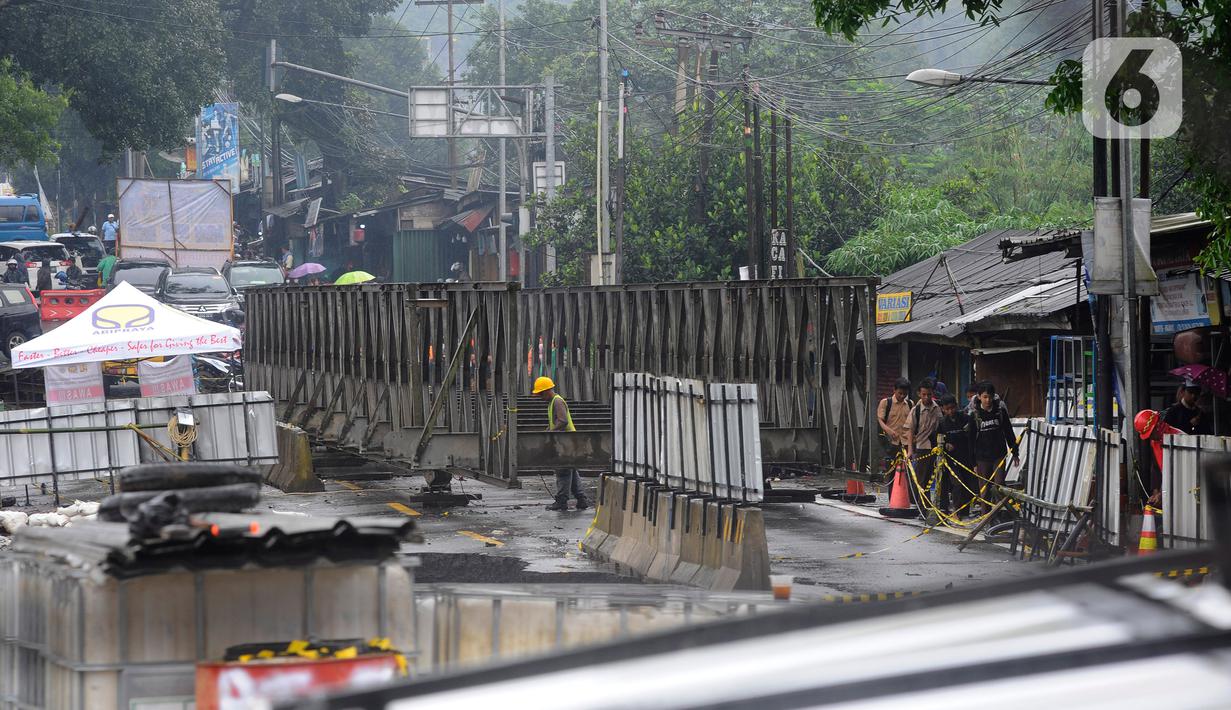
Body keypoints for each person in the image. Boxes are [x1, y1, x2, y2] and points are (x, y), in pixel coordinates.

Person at [533, 375, 590, 511]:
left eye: (541, 394)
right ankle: (581, 499)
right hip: (568, 441)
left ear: (547, 391)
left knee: (563, 471)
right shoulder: (553, 402)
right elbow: (556, 422)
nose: (540, 397)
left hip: (567, 442)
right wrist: (547, 431)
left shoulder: (557, 401)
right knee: (571, 470)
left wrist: (550, 432)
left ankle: (562, 501)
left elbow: (563, 421)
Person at [972, 381, 1020, 507]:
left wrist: (1015, 452)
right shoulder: (975, 415)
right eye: (985, 397)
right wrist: (973, 463)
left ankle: (999, 513)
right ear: (979, 397)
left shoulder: (1000, 412)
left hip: (999, 455)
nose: (988, 400)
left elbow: (1009, 433)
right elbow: (970, 441)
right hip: (982, 458)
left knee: (999, 486)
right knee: (984, 489)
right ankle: (986, 515)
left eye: (990, 397)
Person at [937, 393, 977, 516]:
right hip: (951, 460)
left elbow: (973, 437)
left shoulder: (966, 418)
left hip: (966, 457)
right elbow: (937, 440)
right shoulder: (942, 423)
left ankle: (964, 512)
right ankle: (957, 510)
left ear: (956, 405)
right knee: (957, 483)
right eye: (947, 409)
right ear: (943, 409)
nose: (951, 411)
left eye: (952, 408)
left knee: (967, 484)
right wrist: (946, 445)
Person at [906, 378, 942, 511]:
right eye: (924, 394)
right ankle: (923, 507)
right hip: (921, 447)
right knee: (921, 479)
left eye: (929, 394)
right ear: (919, 394)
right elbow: (910, 431)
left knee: (932, 478)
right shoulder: (916, 410)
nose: (926, 397)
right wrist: (910, 450)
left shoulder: (937, 408)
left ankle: (931, 505)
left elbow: (941, 426)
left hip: (935, 448)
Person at [876, 377, 913, 463]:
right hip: (890, 443)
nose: (902, 396)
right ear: (894, 390)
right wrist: (889, 431)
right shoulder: (885, 402)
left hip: (906, 443)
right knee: (890, 467)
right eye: (900, 393)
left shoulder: (910, 404)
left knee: (907, 468)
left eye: (905, 394)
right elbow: (880, 420)